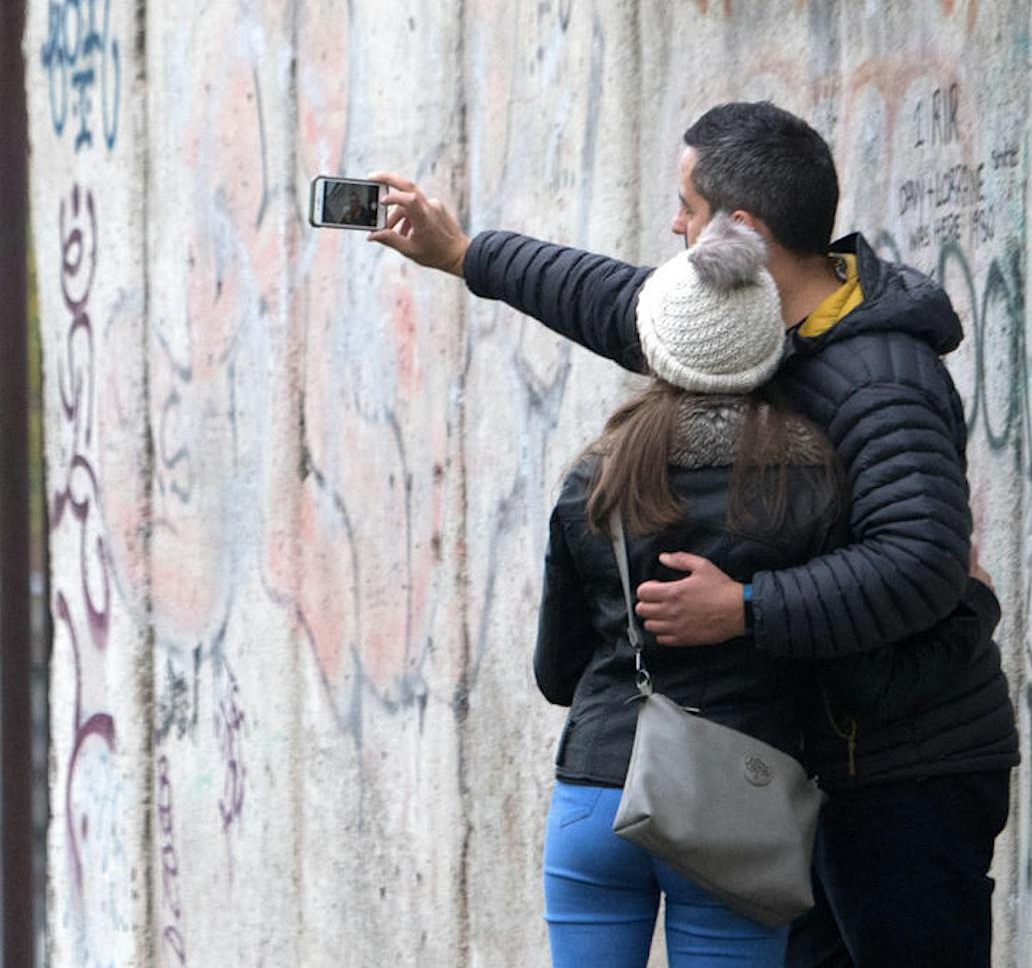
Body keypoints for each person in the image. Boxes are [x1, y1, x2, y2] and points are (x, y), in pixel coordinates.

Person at [371, 100, 1018, 968]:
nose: (673, 225)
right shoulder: (749, 328)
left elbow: (922, 564)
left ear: (740, 227)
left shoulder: (878, 375)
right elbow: (616, 301)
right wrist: (461, 254)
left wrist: (745, 606)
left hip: (906, 769)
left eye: (686, 203)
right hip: (807, 763)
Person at [536, 218, 840, 965]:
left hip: (601, 794)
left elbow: (554, 672)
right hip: (742, 801)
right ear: (771, 343)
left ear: (656, 343)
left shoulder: (597, 480)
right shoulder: (815, 482)